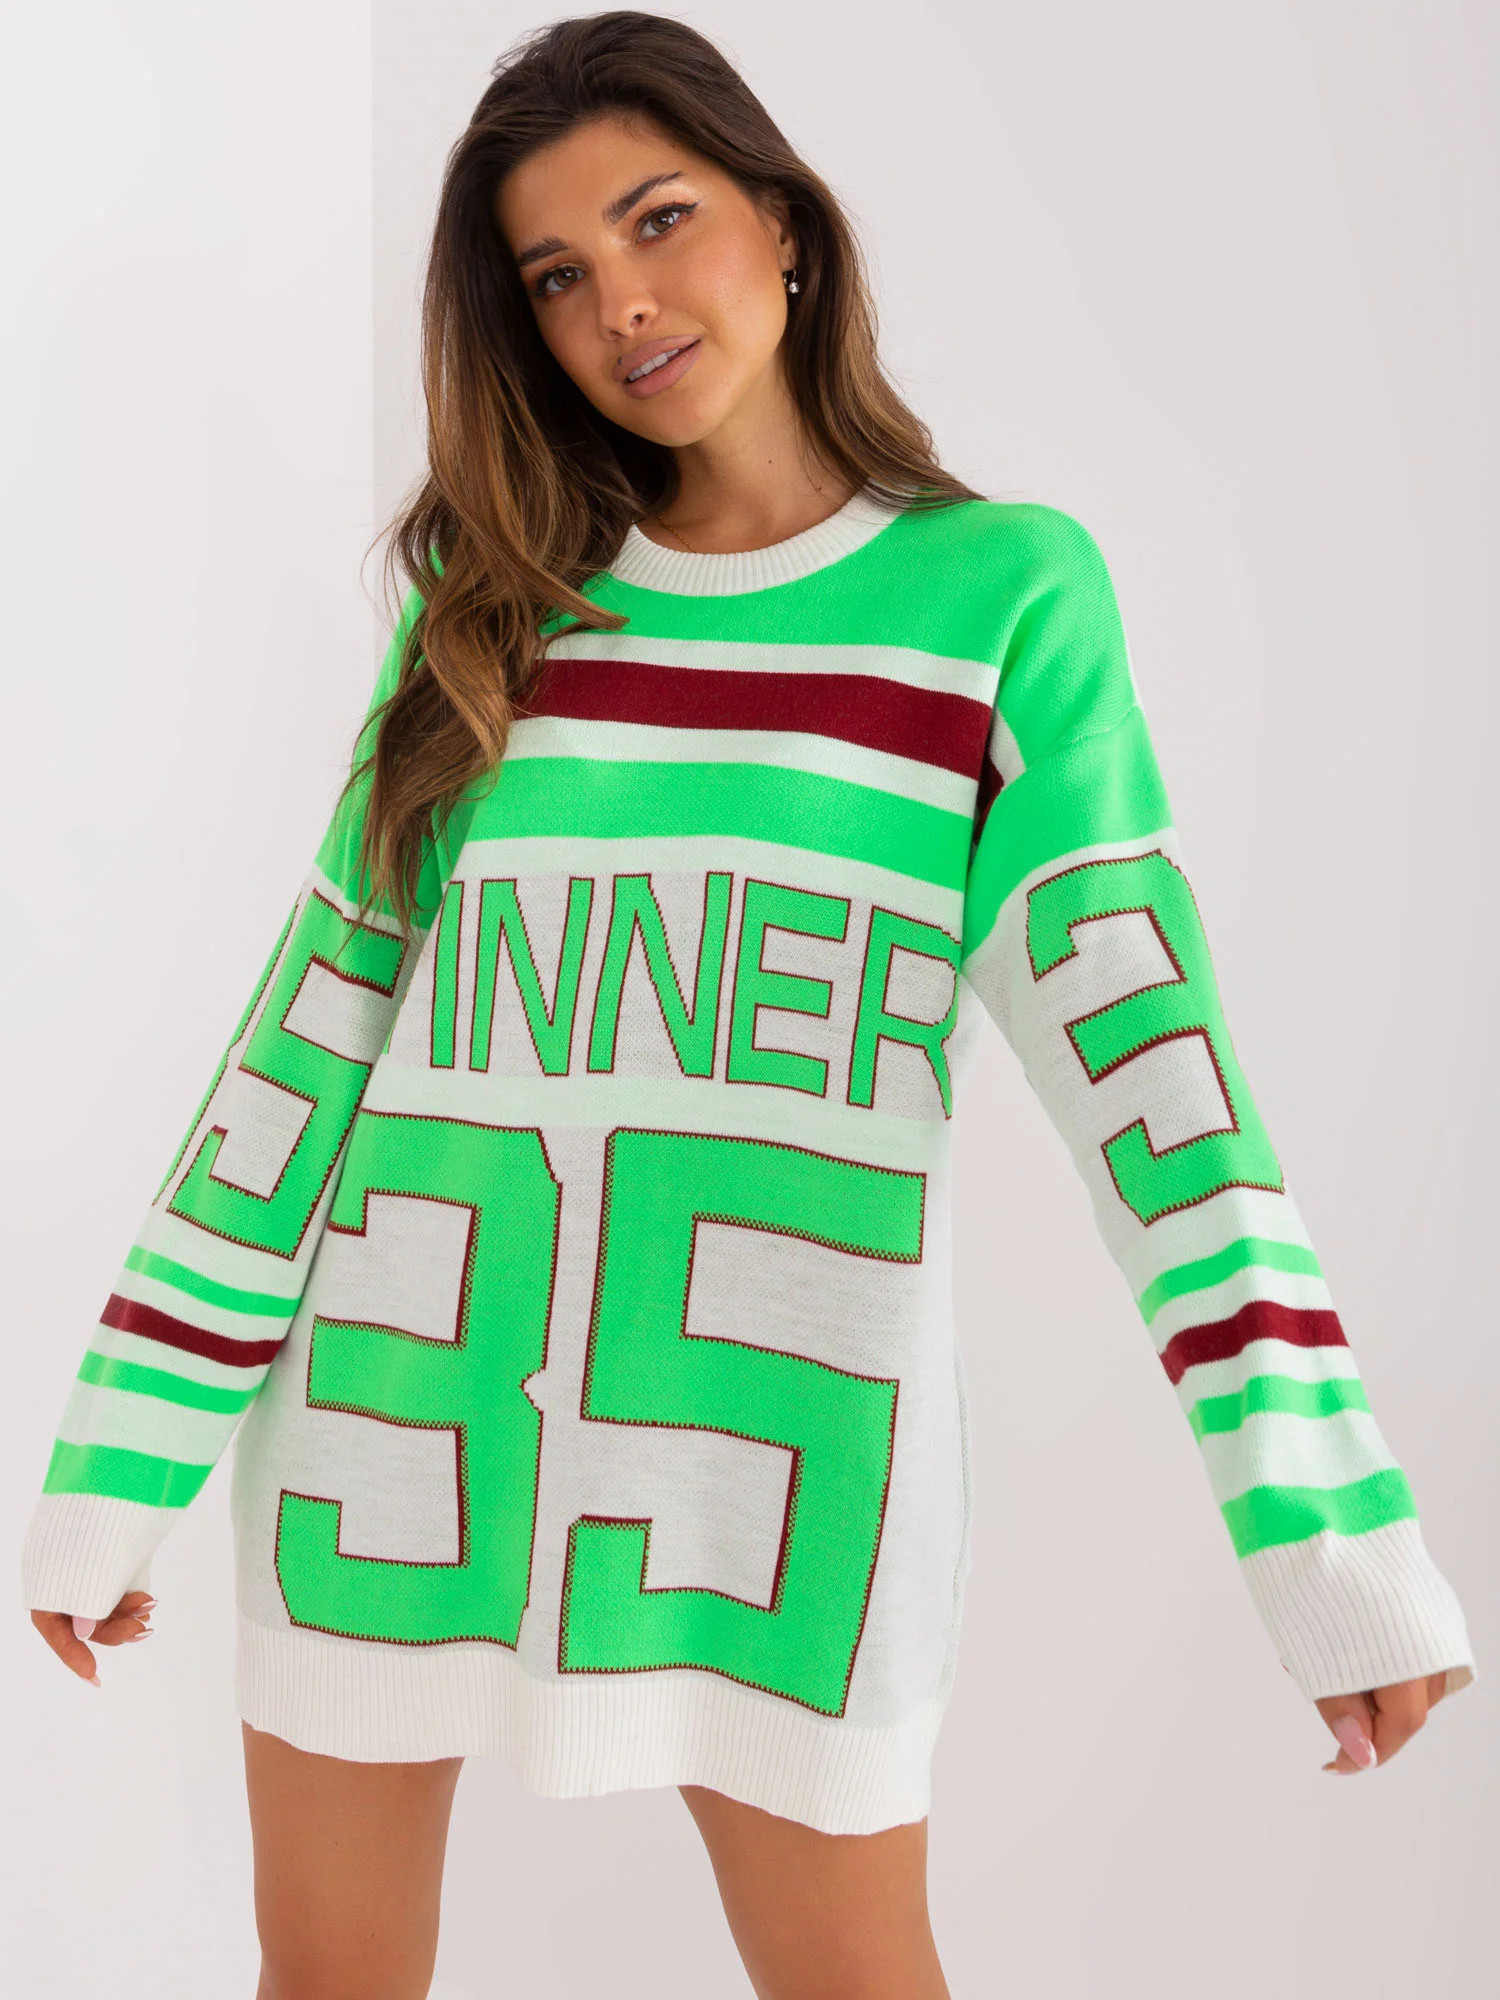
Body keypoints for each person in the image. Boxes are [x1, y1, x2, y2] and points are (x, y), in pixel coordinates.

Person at [22, 11, 1477, 1999]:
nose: (620, 302)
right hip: (389, 1429)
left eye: (659, 220)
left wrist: (1335, 1551)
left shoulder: (999, 601)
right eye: (556, 275)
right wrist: (117, 1469)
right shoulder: (491, 608)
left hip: (773, 1469)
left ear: (782, 224)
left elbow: (1166, 1098)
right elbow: (308, 1041)